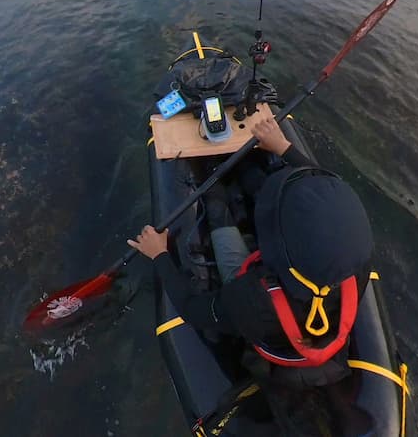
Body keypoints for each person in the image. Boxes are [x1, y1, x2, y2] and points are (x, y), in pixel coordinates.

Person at [127, 114, 374, 391]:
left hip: (268, 314)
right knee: (255, 180)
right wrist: (283, 147)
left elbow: (193, 310)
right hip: (292, 300)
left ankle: (215, 187)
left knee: (219, 215)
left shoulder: (251, 300)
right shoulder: (355, 266)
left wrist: (159, 254)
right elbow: (324, 186)